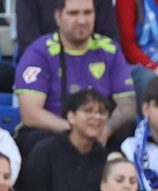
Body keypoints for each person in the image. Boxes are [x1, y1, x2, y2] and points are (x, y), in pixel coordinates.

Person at [14, 0, 136, 152]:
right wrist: (77, 131)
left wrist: (105, 130)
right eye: (73, 13)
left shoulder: (110, 50)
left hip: (100, 131)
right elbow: (30, 114)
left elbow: (128, 105)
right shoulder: (38, 52)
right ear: (58, 17)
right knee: (38, 142)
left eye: (87, 13)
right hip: (54, 131)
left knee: (127, 134)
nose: (82, 20)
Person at [14, 87, 113, 191]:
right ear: (71, 117)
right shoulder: (45, 151)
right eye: (88, 111)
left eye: (102, 112)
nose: (97, 117)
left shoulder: (106, 157)